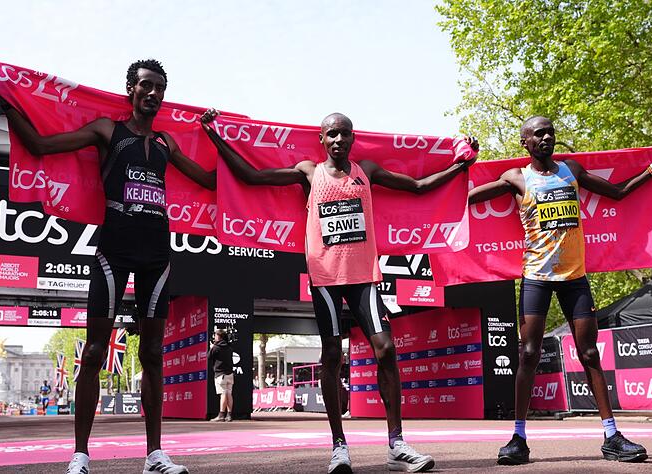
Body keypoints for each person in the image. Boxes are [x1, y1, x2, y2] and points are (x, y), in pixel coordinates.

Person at [201, 110, 476, 473]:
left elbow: (419, 186)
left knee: (387, 349)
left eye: (344, 134)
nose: (338, 140)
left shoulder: (368, 171)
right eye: (331, 134)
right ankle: (339, 447)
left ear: (352, 138)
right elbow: (251, 177)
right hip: (326, 276)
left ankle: (397, 444)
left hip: (363, 275)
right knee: (332, 354)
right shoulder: (308, 173)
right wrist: (215, 135)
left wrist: (461, 165)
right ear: (321, 139)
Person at [0, 58, 214, 474]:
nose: (154, 93)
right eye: (146, 85)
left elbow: (210, 181)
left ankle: (155, 456)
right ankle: (80, 454)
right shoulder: (108, 130)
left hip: (157, 253)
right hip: (114, 250)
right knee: (92, 351)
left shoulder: (166, 144)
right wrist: (3, 95)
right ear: (131, 89)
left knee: (154, 354)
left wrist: (219, 134)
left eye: (160, 87)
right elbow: (38, 145)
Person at [466, 116, 652, 465]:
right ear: (525, 143)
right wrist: (463, 165)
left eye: (550, 132)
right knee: (529, 354)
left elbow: (620, 192)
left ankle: (612, 435)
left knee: (590, 353)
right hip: (536, 277)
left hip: (574, 278)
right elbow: (465, 200)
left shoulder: (571, 170)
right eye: (538, 134)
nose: (546, 137)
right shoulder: (516, 179)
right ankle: (518, 438)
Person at [208, 328, 235, 422]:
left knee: (223, 394)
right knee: (229, 393)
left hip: (220, 374)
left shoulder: (215, 347)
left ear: (218, 336)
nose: (214, 337)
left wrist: (211, 347)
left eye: (215, 335)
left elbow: (209, 357)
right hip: (230, 374)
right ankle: (229, 415)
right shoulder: (229, 347)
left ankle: (221, 415)